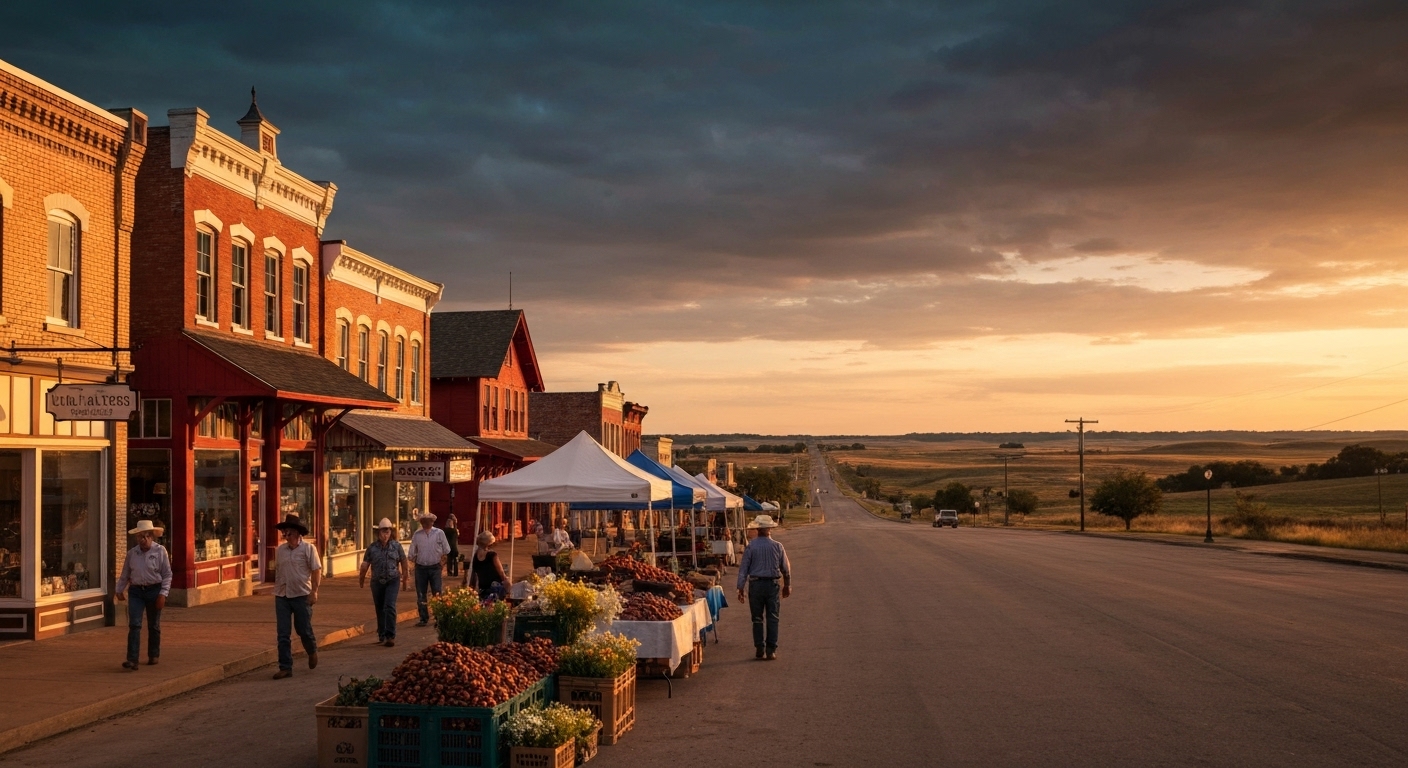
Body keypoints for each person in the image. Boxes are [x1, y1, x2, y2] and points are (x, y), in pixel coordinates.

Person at [115, 519, 172, 670]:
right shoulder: (132, 554)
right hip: (136, 591)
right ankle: (132, 659)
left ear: (152, 537)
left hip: (154, 589)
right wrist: (119, 589)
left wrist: (163, 594)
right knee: (135, 624)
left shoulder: (160, 551)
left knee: (153, 625)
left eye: (147, 536)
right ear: (137, 537)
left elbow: (167, 574)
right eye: (141, 536)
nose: (144, 539)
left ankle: (154, 653)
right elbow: (125, 574)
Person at [735, 514, 792, 661]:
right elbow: (786, 569)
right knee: (773, 618)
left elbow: (743, 569)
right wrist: (787, 585)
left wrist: (740, 588)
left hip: (756, 585)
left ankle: (759, 648)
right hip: (773, 585)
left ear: (758, 529)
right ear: (770, 529)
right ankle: (771, 650)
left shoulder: (751, 546)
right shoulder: (778, 546)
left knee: (757, 618)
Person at [272, 514, 320, 679]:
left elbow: (316, 570)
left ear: (298, 533)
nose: (286, 535)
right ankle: (285, 666)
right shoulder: (280, 551)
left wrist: (314, 591)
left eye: (289, 532)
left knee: (303, 629)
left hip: (301, 594)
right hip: (282, 595)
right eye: (285, 532)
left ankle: (311, 650)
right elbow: (277, 570)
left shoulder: (308, 549)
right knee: (283, 633)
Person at [359, 518, 408, 647]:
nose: (385, 534)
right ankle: (382, 634)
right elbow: (365, 564)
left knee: (389, 606)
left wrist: (405, 578)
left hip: (393, 580)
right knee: (380, 608)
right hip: (377, 582)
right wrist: (361, 580)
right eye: (383, 531)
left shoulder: (396, 546)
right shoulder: (372, 548)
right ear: (378, 533)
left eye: (388, 531)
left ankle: (390, 635)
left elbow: (403, 561)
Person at [407, 509, 449, 626]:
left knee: (437, 592)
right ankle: (423, 618)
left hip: (435, 567)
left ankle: (438, 617)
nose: (427, 523)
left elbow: (446, 550)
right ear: (421, 522)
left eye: (429, 521)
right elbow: (411, 552)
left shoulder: (439, 533)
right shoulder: (417, 535)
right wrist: (414, 560)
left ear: (432, 522)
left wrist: (442, 564)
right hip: (421, 568)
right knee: (421, 593)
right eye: (424, 521)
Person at [465, 531, 509, 600]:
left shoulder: (475, 556)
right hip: (495, 587)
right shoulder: (492, 555)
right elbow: (501, 573)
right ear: (489, 543)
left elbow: (474, 572)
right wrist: (508, 584)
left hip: (483, 588)